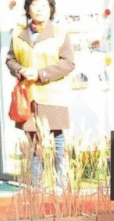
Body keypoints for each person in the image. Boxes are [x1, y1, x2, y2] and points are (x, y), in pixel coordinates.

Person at [6, 0, 74, 191]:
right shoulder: (19, 34)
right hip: (28, 97)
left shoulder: (60, 33)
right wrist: (20, 70)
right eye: (35, 5)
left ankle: (61, 185)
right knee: (34, 144)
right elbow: (10, 59)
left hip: (54, 95)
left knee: (58, 141)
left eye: (44, 6)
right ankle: (36, 187)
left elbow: (68, 63)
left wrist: (41, 73)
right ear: (28, 9)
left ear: (51, 9)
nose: (39, 9)